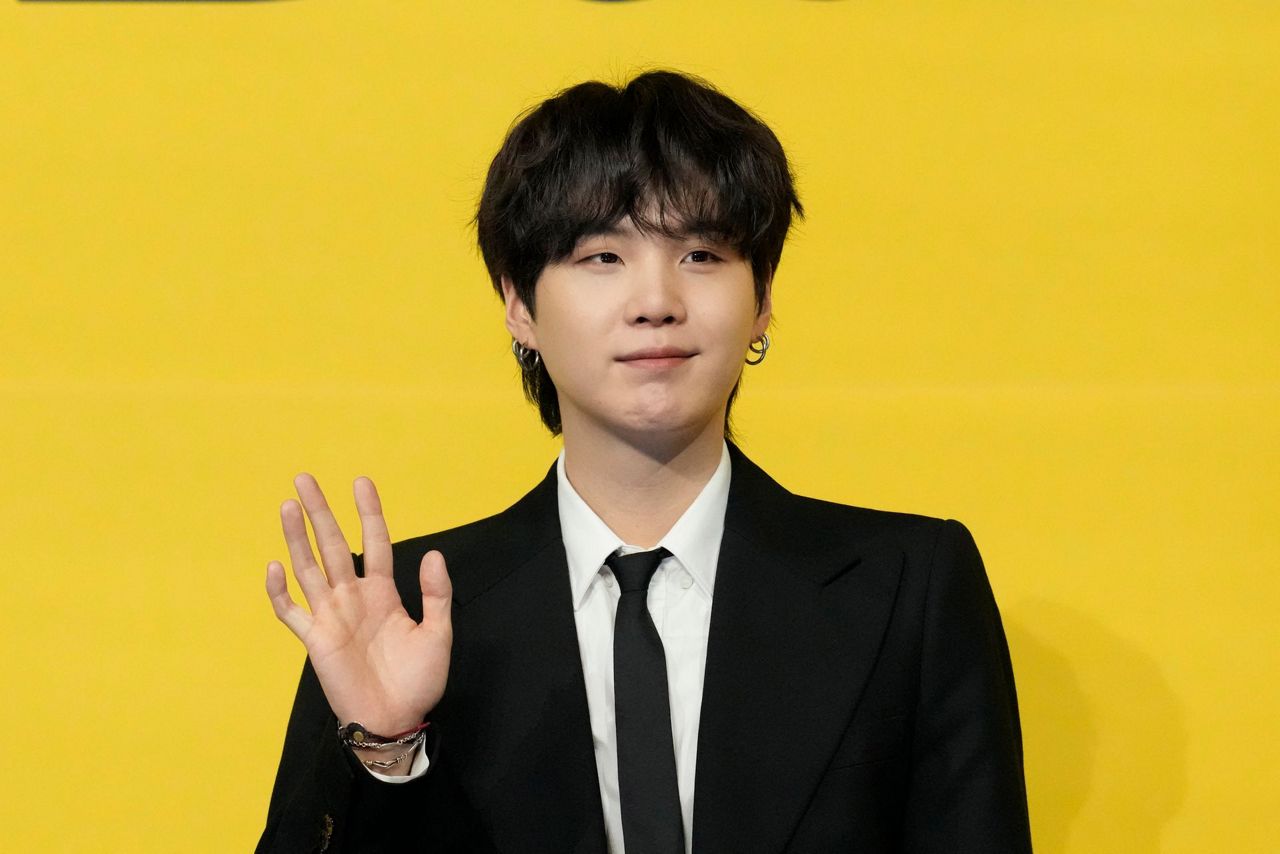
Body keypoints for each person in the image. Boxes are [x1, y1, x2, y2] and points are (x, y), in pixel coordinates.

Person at [256, 70, 1033, 854]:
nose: (656, 301)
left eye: (700, 254)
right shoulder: (400, 612)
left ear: (762, 299)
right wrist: (385, 748)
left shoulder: (907, 591)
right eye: (603, 256)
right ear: (519, 305)